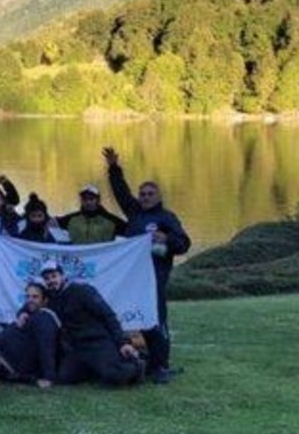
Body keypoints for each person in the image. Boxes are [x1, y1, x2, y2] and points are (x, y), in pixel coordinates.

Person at [103, 147, 191, 384]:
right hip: (132, 278)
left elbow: (184, 244)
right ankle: (150, 361)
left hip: (155, 277)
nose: (145, 197)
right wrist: (114, 168)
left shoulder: (166, 218)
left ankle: (161, 366)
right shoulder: (134, 213)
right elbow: (121, 193)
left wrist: (167, 239)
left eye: (150, 194)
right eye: (142, 194)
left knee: (157, 320)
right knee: (139, 319)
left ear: (159, 197)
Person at [42, 261, 143, 387]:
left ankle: (137, 366)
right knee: (64, 377)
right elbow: (32, 301)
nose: (51, 281)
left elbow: (108, 316)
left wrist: (122, 342)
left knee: (114, 376)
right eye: (47, 278)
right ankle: (96, 369)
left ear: (62, 276)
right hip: (77, 348)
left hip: (98, 343)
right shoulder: (51, 299)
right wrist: (22, 312)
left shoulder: (83, 291)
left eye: (54, 276)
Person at [0, 282, 61, 387]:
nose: (30, 300)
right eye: (28, 296)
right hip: (4, 351)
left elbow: (46, 347)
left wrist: (49, 377)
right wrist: (22, 314)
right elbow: (27, 307)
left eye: (35, 297)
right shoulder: (34, 312)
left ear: (45, 301)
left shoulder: (44, 319)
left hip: (7, 361)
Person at [58, 184, 128, 244]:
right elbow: (53, 223)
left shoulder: (111, 220)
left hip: (103, 258)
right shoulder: (72, 219)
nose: (88, 202)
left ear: (98, 200)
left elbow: (131, 232)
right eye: (85, 199)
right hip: (79, 258)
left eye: (91, 199)